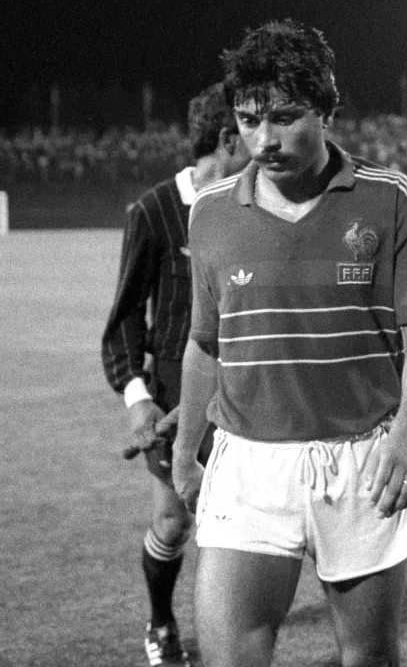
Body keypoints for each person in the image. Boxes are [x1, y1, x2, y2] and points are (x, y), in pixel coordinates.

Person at [171, 19, 407, 667]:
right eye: (247, 120)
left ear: (325, 106)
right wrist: (186, 450)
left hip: (357, 462)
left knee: (368, 656)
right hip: (247, 464)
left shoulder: (388, 198)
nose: (263, 140)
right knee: (228, 654)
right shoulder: (210, 211)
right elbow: (205, 343)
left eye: (285, 117)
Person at [101, 82, 251, 667]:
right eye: (249, 130)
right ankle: (161, 621)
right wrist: (137, 397)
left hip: (246, 391)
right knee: (173, 519)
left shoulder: (255, 203)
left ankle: (229, 635)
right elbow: (122, 320)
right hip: (173, 395)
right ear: (226, 138)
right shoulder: (155, 210)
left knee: (238, 525)